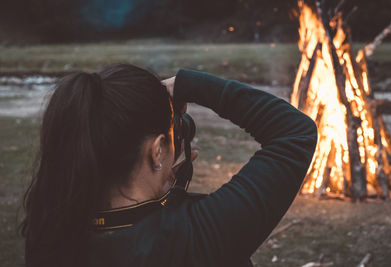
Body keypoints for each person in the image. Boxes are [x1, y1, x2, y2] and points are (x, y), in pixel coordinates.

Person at [21, 64, 317, 267]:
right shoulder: (198, 236)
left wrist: (164, 191)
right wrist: (190, 85)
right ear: (157, 150)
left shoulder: (47, 232)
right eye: (172, 138)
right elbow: (293, 131)